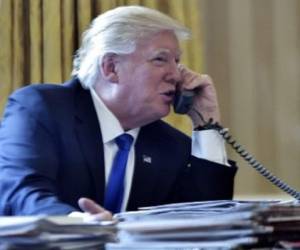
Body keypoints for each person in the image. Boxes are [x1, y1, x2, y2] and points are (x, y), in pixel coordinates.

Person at [0, 6, 237, 220]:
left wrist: (207, 126)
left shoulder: (170, 145)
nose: (176, 75)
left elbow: (206, 220)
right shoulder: (41, 110)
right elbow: (21, 192)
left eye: (176, 61)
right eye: (160, 59)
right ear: (111, 68)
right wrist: (78, 226)